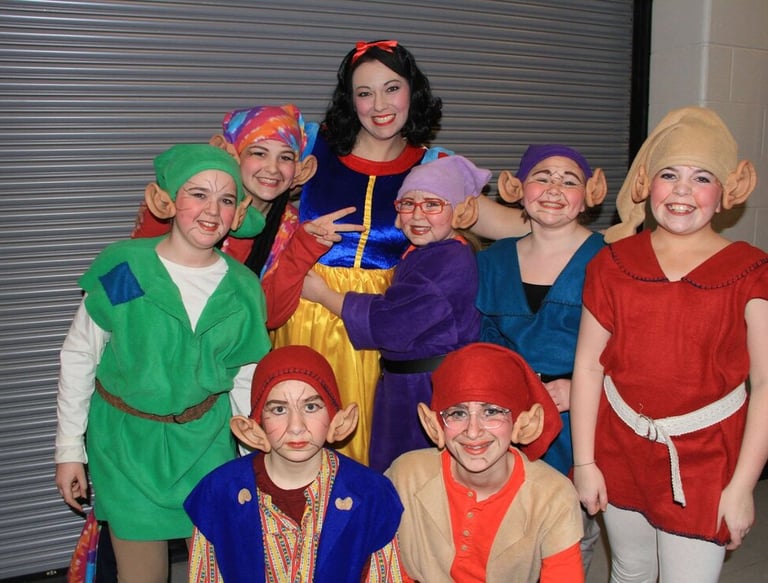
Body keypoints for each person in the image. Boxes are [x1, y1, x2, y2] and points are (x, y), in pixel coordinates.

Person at [262, 39, 529, 465]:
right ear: (350, 100)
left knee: (376, 453)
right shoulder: (312, 147)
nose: (379, 105)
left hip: (386, 325)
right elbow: (240, 175)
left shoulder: (435, 169)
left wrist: (574, 218)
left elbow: (519, 225)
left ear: (412, 91)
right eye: (364, 92)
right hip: (307, 313)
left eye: (392, 88)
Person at [54, 144, 272, 583]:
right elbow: (81, 354)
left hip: (207, 445)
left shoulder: (244, 288)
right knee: (142, 574)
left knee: (217, 569)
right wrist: (69, 450)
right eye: (198, 194)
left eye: (225, 199)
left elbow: (245, 378)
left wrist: (254, 456)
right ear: (167, 200)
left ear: (237, 214)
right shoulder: (128, 269)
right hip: (126, 447)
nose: (211, 210)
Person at [570, 105, 768, 582]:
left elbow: (764, 384)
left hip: (707, 457)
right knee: (630, 568)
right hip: (620, 445)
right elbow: (590, 368)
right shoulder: (612, 263)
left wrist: (743, 486)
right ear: (646, 183)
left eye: (701, 177)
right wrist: (585, 462)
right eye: (669, 174)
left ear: (725, 193)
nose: (682, 190)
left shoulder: (750, 270)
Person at [301, 155, 486, 472]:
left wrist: (324, 295)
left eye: (432, 204)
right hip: (405, 385)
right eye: (408, 204)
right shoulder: (425, 252)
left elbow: (391, 323)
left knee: (416, 474)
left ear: (459, 212)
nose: (418, 214)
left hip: (429, 390)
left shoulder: (449, 261)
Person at [475, 144, 606, 570]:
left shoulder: (610, 260)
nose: (554, 189)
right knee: (507, 533)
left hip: (583, 420)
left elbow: (635, 349)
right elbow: (482, 341)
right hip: (511, 416)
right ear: (518, 189)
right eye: (542, 177)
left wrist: (583, 387)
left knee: (570, 535)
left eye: (569, 181)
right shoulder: (491, 260)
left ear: (587, 197)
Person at [184, 345, 409, 582]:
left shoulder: (371, 493)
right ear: (252, 429)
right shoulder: (219, 493)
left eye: (311, 407)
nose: (296, 426)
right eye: (279, 409)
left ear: (338, 420)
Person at [386, 342, 584, 582]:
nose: (473, 431)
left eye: (492, 412)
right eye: (457, 413)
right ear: (435, 424)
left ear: (523, 423)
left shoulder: (553, 496)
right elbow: (387, 566)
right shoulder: (406, 476)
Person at [132, 104, 317, 277]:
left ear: (299, 170)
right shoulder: (182, 204)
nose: (272, 168)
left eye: (285, 157)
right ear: (231, 154)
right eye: (259, 153)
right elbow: (135, 268)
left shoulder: (293, 229)